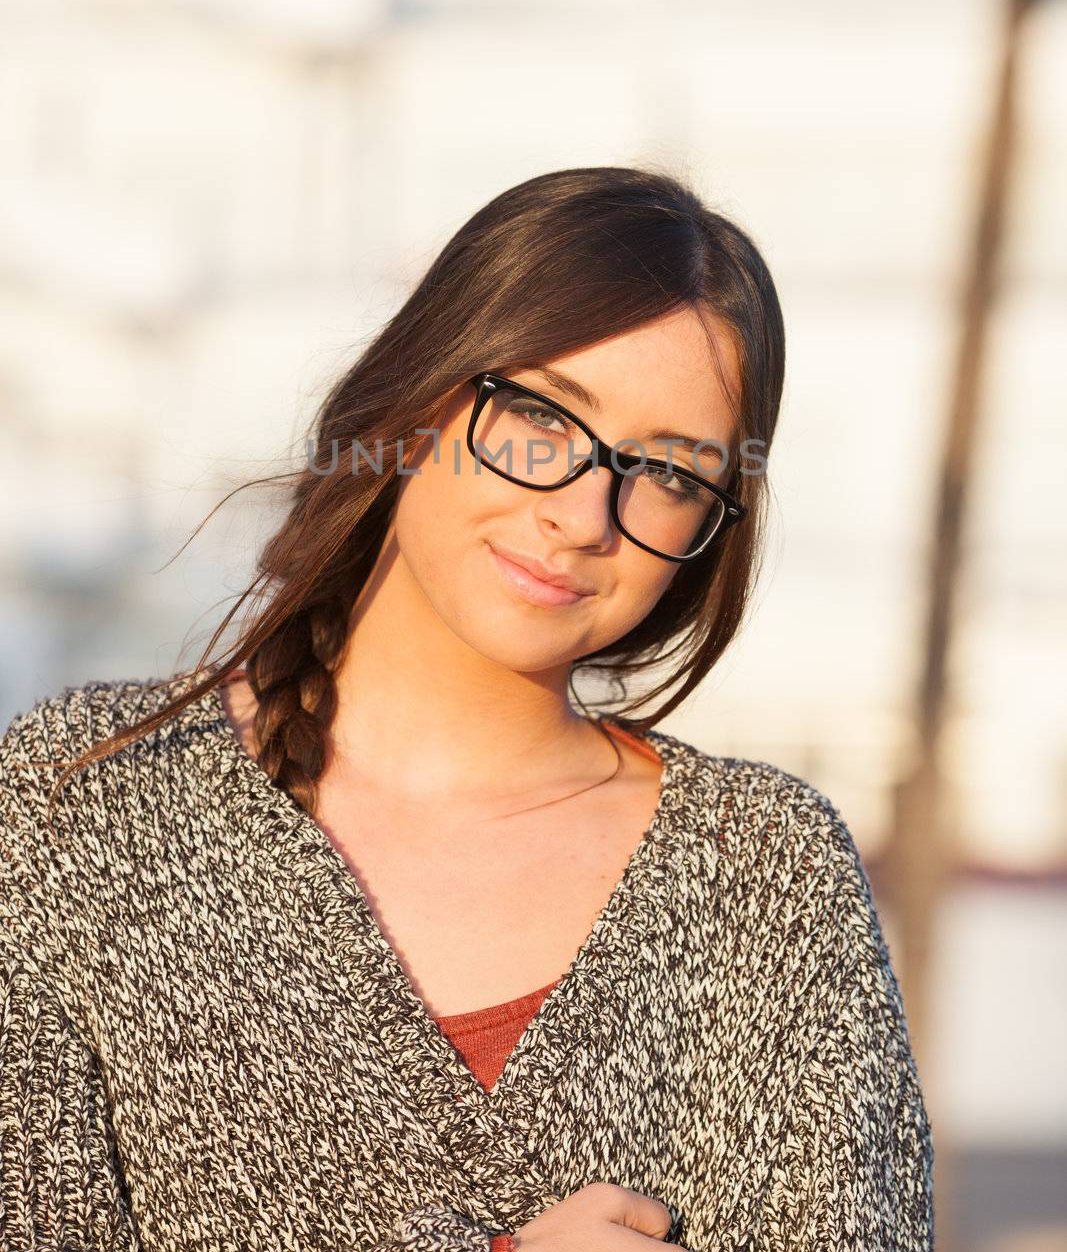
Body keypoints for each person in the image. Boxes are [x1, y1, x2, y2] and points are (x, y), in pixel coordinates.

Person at [0, 166, 934, 1251]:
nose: (586, 515)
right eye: (540, 419)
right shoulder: (82, 804)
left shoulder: (768, 876)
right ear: (417, 396)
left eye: (671, 474)